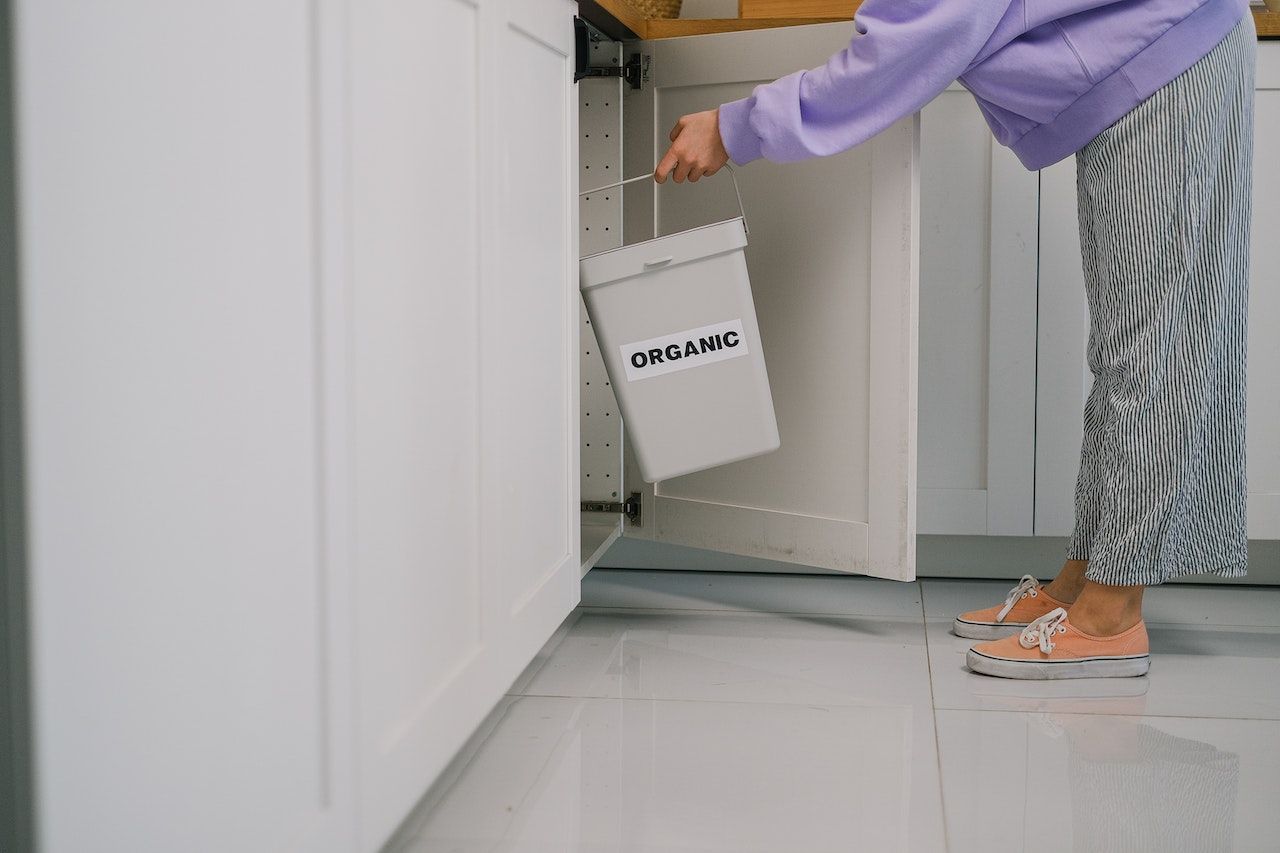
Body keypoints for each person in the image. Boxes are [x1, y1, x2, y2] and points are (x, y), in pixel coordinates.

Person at [655, 0, 1256, 679]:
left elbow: (917, 39)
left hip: (1168, 53)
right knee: (1129, 350)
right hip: (1145, 54)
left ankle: (1111, 613)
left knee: (1152, 348)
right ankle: (1084, 579)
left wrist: (739, 127)